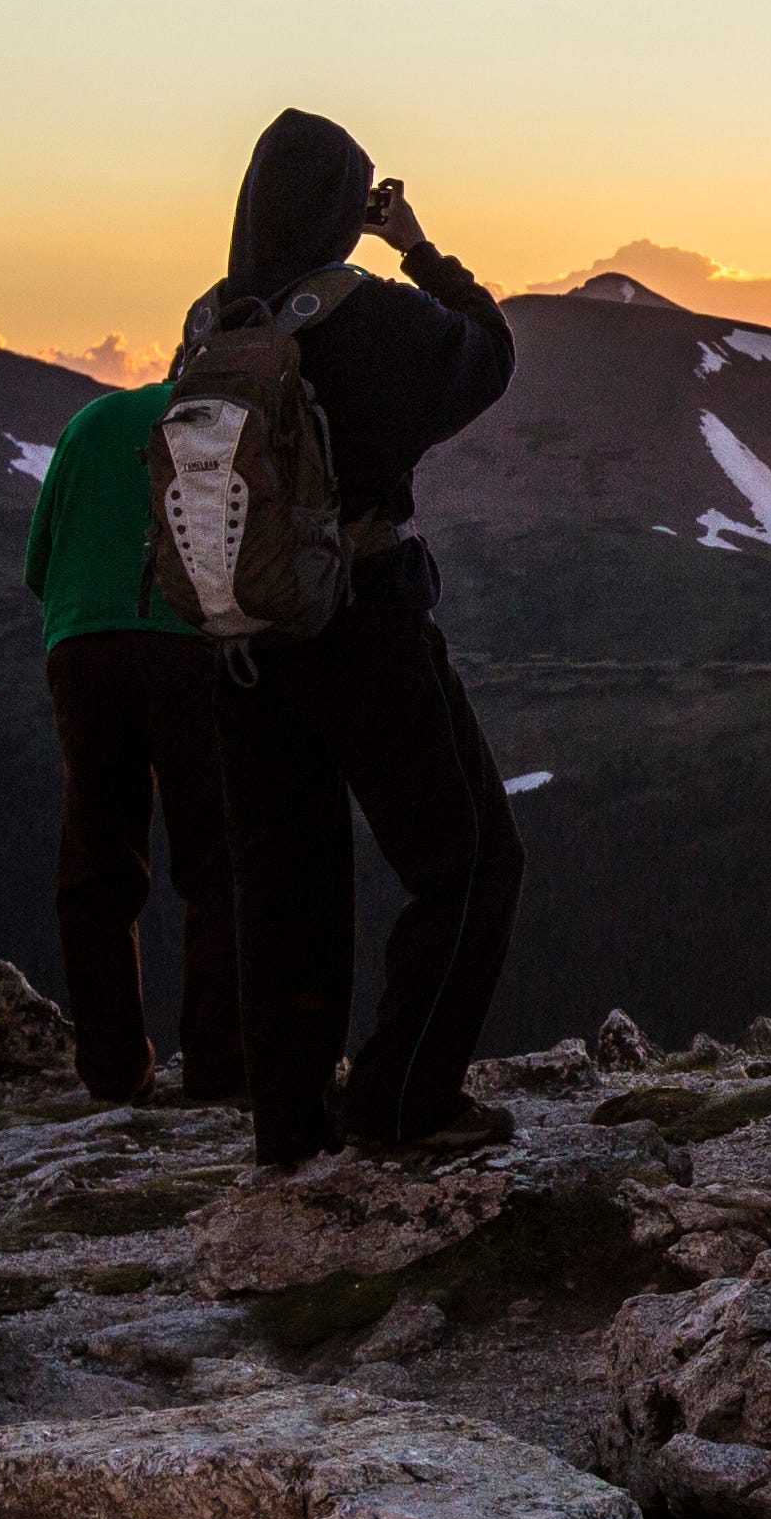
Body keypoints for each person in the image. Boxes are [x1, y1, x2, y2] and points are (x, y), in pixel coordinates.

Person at [191, 110, 525, 1167]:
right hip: (362, 625)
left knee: (285, 889)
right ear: (345, 206)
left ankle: (287, 1127)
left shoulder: (212, 327)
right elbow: (489, 355)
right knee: (468, 856)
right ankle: (400, 1099)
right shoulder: (361, 312)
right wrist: (419, 247)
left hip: (242, 645)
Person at [20, 367, 238, 1108]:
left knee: (96, 869)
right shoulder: (227, 425)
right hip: (192, 649)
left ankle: (114, 1076)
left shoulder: (88, 423)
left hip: (82, 648)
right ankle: (218, 1070)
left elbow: (36, 565)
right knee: (215, 865)